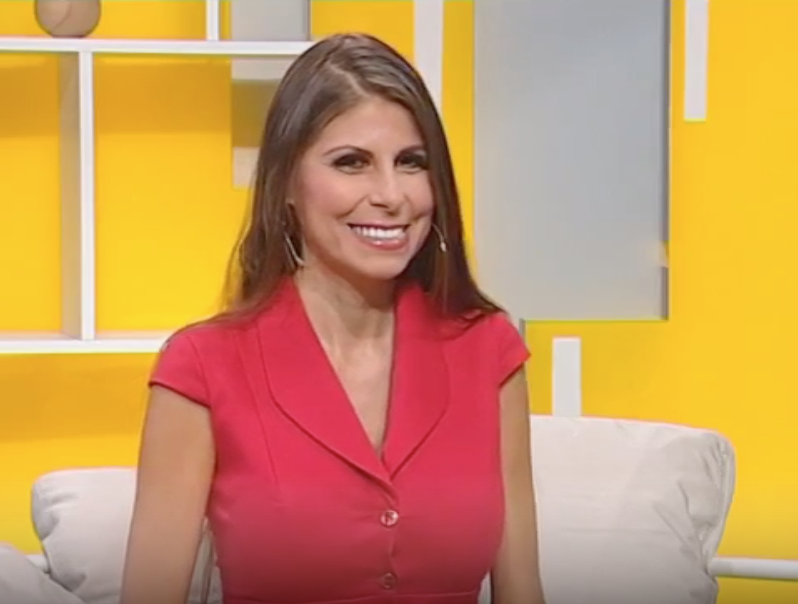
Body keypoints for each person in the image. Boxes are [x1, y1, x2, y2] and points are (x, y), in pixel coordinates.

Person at [118, 32, 546, 604]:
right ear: (286, 184)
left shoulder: (489, 349)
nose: (392, 195)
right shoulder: (202, 366)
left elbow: (523, 591)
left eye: (411, 163)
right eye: (352, 163)